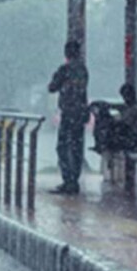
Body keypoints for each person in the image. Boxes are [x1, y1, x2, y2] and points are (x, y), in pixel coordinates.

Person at [48, 40, 89, 194]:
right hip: (80, 114)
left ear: (66, 53)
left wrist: (56, 78)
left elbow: (52, 87)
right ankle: (75, 180)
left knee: (63, 147)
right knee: (77, 147)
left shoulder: (64, 70)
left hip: (68, 114)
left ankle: (68, 181)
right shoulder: (83, 70)